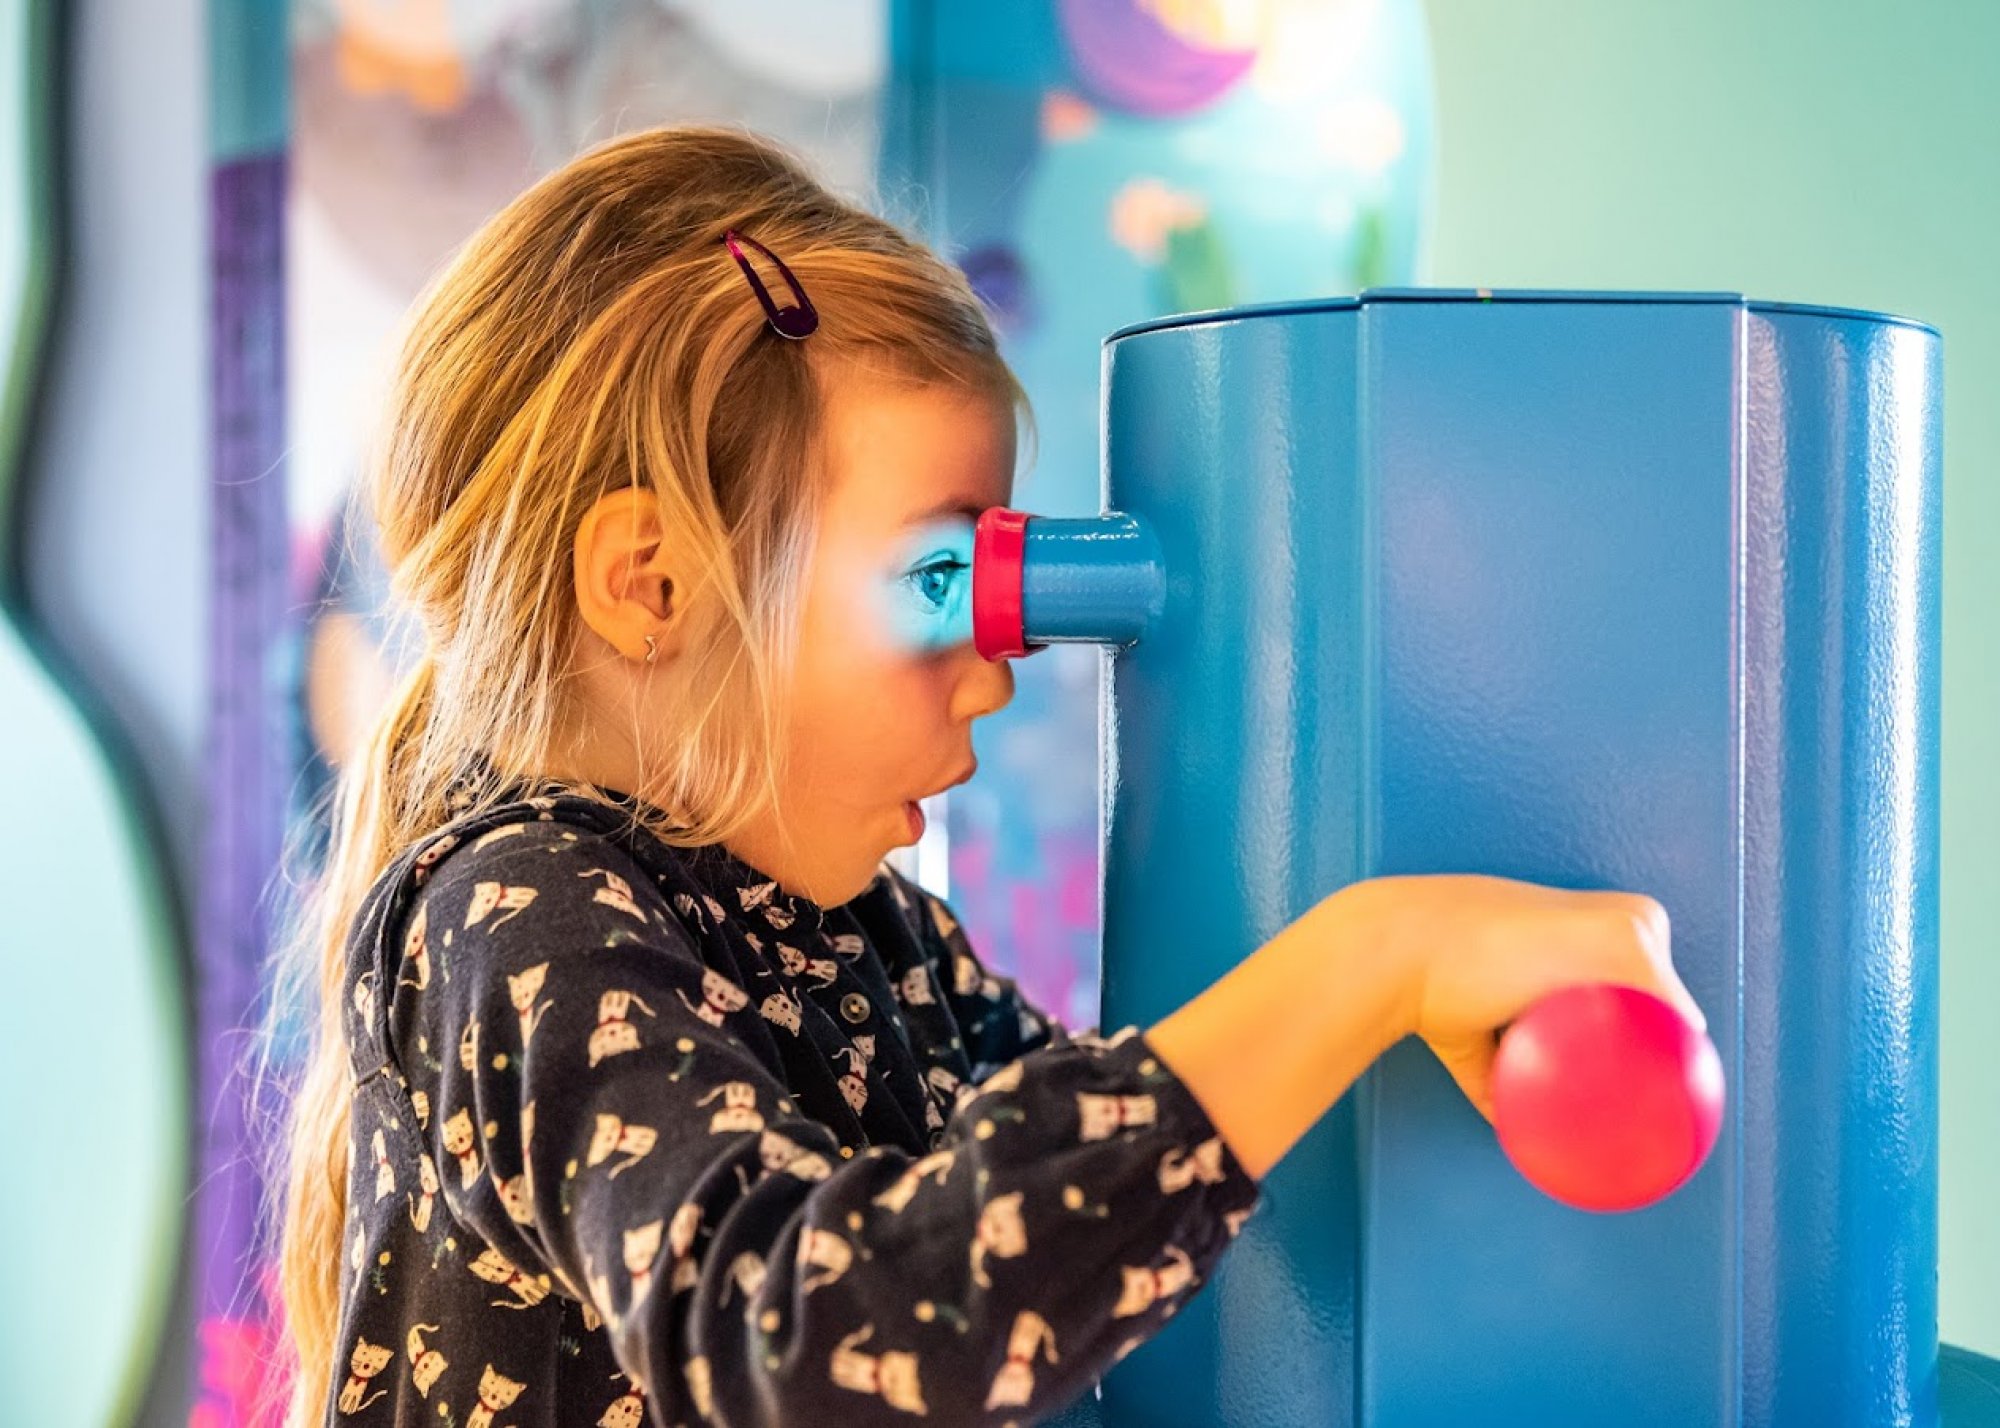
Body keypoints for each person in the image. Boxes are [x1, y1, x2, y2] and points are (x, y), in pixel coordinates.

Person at [274, 124, 1703, 1427]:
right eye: (939, 582)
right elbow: (817, 1343)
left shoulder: (862, 936)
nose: (992, 673)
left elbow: (1085, 1224)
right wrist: (1373, 958)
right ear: (652, 582)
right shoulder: (517, 915)